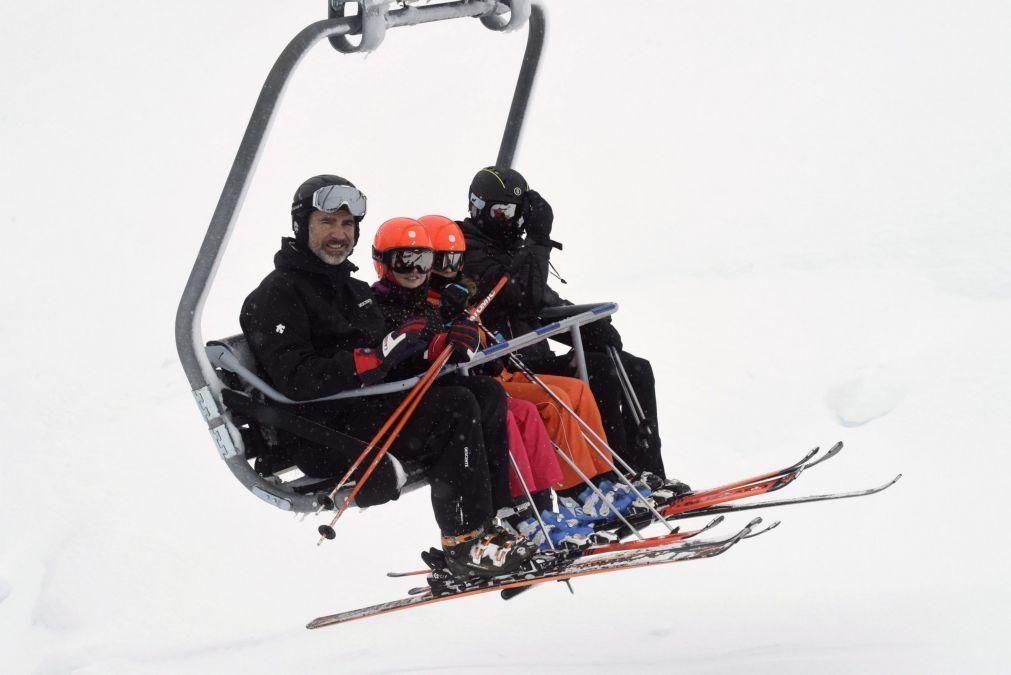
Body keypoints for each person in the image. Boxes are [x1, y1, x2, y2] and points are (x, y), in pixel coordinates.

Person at [239, 175, 535, 577]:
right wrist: (370, 358)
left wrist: (438, 346)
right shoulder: (277, 295)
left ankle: (498, 524)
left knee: (482, 391)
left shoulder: (353, 289)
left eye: (347, 226)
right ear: (301, 224)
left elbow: (392, 354)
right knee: (455, 407)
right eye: (327, 222)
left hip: (366, 412)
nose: (338, 235)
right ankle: (465, 541)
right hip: (324, 433)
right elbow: (297, 379)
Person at [457, 167, 690, 498]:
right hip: (508, 364)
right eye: (503, 212)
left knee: (635, 366)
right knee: (600, 372)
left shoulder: (510, 251)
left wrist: (587, 324)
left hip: (534, 355)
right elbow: (522, 296)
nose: (513, 222)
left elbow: (544, 302)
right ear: (478, 208)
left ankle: (648, 473)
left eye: (519, 213)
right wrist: (538, 241)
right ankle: (618, 477)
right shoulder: (469, 251)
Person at [369, 217, 568, 531]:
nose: (415, 269)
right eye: (404, 260)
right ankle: (512, 514)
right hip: (417, 409)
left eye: (423, 260)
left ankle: (540, 511)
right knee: (493, 409)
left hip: (458, 395)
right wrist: (434, 345)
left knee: (522, 411)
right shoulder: (377, 306)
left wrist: (463, 335)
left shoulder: (434, 304)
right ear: (383, 263)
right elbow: (392, 356)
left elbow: (467, 352)